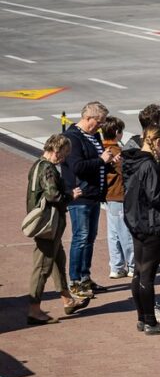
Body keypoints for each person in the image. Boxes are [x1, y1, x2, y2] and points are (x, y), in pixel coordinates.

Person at [122, 125, 160, 335]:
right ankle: (151, 321)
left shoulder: (132, 160)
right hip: (152, 224)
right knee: (147, 275)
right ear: (156, 142)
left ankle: (142, 317)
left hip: (136, 222)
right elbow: (155, 196)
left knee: (138, 272)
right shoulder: (149, 165)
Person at [26, 135, 89, 325]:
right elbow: (53, 195)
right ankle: (34, 310)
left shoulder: (37, 164)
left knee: (58, 261)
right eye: (63, 154)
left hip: (47, 226)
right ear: (56, 150)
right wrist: (70, 195)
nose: (64, 159)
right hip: (48, 226)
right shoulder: (48, 169)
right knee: (42, 267)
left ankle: (67, 299)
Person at [63, 101, 112, 298]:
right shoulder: (72, 138)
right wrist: (101, 161)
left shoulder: (94, 136)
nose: (100, 126)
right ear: (88, 118)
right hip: (80, 196)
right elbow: (76, 166)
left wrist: (106, 162)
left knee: (90, 238)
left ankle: (85, 276)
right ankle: (75, 280)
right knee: (80, 238)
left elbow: (96, 162)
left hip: (93, 195)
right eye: (98, 122)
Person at [100, 116, 133, 280]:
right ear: (117, 132)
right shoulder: (116, 152)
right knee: (125, 232)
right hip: (119, 195)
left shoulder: (101, 148)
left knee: (113, 233)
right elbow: (126, 173)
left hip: (108, 196)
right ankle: (132, 264)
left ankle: (117, 266)